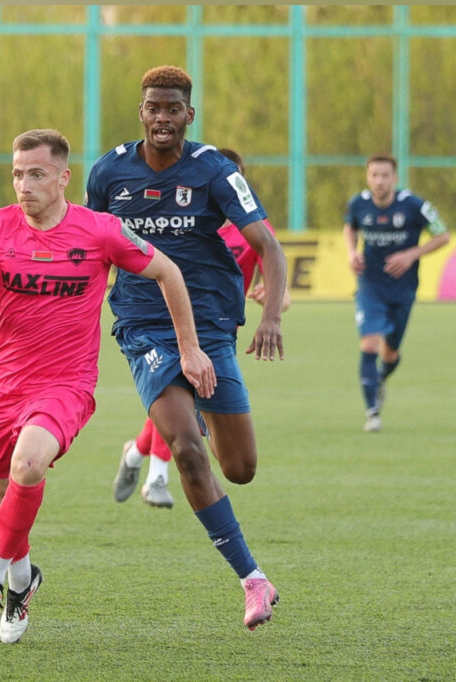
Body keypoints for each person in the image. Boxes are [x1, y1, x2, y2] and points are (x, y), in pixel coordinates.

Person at [0, 129, 215, 644]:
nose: (24, 185)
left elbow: (169, 272)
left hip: (66, 382)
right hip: (0, 386)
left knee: (28, 465)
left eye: (36, 174)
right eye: (17, 174)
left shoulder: (100, 230)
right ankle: (22, 581)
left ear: (64, 177)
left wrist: (189, 348)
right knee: (2, 495)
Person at [85, 65, 287, 631]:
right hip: (144, 326)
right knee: (188, 451)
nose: (163, 118)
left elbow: (268, 246)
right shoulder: (108, 172)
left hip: (212, 325)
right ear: (141, 112)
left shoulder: (215, 171)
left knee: (240, 469)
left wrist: (271, 316)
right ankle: (253, 580)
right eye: (154, 107)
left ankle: (150, 440)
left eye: (173, 108)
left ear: (188, 115)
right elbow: (91, 247)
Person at [113, 148, 291, 509]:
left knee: (198, 424)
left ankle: (134, 453)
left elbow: (277, 279)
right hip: (165, 326)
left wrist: (273, 306)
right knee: (180, 406)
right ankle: (156, 478)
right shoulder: (177, 218)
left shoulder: (251, 229)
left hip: (217, 331)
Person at [343, 154, 450, 432]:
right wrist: (352, 252)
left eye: (385, 175)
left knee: (390, 353)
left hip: (403, 289)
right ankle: (372, 413)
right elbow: (350, 227)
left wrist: (412, 254)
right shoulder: (358, 203)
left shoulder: (414, 205)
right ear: (368, 177)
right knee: (369, 344)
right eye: (374, 175)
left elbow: (443, 235)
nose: (379, 181)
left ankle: (380, 379)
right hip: (370, 285)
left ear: (395, 178)